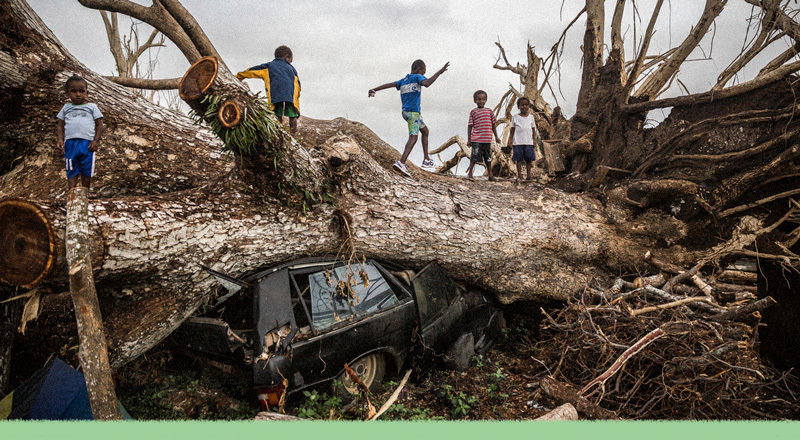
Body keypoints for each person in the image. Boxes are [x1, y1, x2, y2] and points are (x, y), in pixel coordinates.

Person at [368, 59, 449, 177]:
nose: (423, 76)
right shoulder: (417, 77)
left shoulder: (403, 80)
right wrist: (440, 72)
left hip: (406, 112)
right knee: (413, 137)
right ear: (418, 69)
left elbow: (389, 85)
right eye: (423, 72)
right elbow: (427, 83)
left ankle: (426, 159)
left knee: (425, 131)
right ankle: (401, 162)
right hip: (413, 114)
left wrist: (374, 89)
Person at [236, 45, 301, 133]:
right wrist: (297, 100)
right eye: (291, 59)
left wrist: (238, 76)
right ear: (287, 57)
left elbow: (251, 71)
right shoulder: (292, 69)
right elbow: (298, 84)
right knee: (292, 116)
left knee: (277, 113)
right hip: (290, 94)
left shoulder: (269, 66)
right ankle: (293, 136)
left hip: (276, 93)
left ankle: (279, 132)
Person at [56, 74, 104, 190]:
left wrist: (96, 141)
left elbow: (99, 124)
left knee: (86, 168)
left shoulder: (92, 107)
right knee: (71, 168)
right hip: (70, 144)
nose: (78, 94)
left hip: (87, 144)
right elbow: (60, 126)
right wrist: (60, 139)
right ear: (67, 93)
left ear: (87, 93)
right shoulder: (66, 108)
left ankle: (85, 192)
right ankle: (71, 192)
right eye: (73, 91)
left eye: (81, 91)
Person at [466, 90, 500, 181]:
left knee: (488, 157)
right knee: (474, 156)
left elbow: (493, 125)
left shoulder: (489, 111)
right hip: (476, 138)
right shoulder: (473, 112)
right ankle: (470, 174)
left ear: (486, 100)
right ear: (475, 100)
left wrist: (496, 137)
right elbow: (469, 126)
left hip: (487, 139)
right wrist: (469, 139)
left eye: (483, 99)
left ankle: (490, 175)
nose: (481, 101)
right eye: (479, 99)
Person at [506, 97, 539, 181]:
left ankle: (528, 175)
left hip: (528, 142)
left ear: (528, 106)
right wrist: (510, 140)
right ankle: (519, 175)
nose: (524, 106)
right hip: (518, 142)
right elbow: (512, 130)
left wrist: (534, 140)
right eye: (522, 105)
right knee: (518, 159)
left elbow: (533, 129)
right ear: (518, 106)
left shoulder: (531, 117)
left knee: (528, 159)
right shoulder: (515, 117)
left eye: (526, 105)